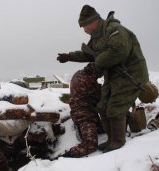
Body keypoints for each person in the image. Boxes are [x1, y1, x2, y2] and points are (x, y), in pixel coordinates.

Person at [57, 5, 149, 152]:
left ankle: (118, 142)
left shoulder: (113, 30)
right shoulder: (96, 37)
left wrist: (98, 63)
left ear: (94, 21)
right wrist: (69, 56)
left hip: (130, 75)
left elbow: (118, 51)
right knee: (102, 106)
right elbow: (89, 54)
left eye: (85, 26)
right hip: (113, 76)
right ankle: (111, 140)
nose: (84, 30)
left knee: (115, 107)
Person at [61, 63, 102, 157]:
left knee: (102, 130)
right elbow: (100, 95)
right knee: (90, 144)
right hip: (84, 116)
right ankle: (66, 156)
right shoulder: (88, 79)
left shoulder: (80, 73)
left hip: (84, 111)